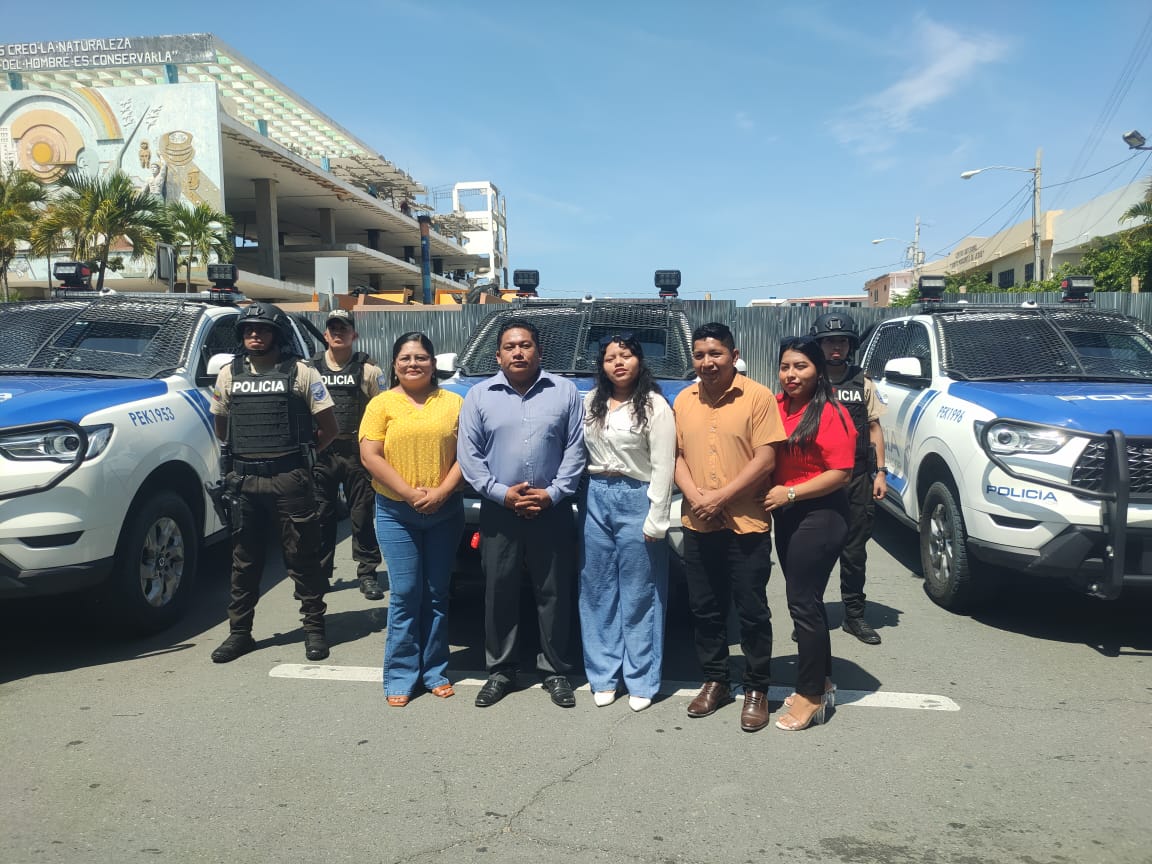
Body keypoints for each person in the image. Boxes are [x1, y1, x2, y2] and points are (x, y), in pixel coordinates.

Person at [457, 319, 586, 708]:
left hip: (552, 508)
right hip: (500, 510)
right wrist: (502, 494)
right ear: (498, 356)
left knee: (554, 591)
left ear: (539, 352)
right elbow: (470, 456)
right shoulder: (478, 396)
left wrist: (553, 493)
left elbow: (576, 449)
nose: (518, 352)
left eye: (525, 345)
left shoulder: (564, 392)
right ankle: (501, 669)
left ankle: (555, 671)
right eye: (510, 347)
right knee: (499, 590)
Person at [209, 302, 338, 664]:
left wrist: (303, 456)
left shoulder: (301, 372)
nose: (254, 334)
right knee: (244, 561)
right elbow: (222, 427)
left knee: (303, 556)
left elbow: (329, 429)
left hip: (289, 478)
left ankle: (314, 629)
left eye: (262, 329)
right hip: (244, 479)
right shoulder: (229, 374)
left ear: (276, 334)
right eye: (248, 329)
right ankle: (240, 633)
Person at [673, 322, 786, 733]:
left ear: (734, 356)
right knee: (705, 607)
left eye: (716, 354)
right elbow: (675, 456)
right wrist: (697, 497)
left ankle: (757, 687)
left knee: (751, 609)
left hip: (746, 523)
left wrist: (720, 498)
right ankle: (716, 680)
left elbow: (766, 459)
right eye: (700, 355)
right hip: (699, 521)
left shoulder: (757, 397)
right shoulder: (683, 400)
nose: (707, 362)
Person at [359, 332, 464, 707]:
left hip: (444, 511)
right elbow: (370, 455)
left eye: (421, 357)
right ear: (394, 364)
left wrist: (441, 492)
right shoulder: (381, 404)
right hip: (396, 512)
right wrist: (408, 493)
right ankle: (401, 674)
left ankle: (434, 671)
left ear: (434, 364)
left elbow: (468, 455)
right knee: (405, 593)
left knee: (436, 594)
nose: (413, 364)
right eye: (405, 358)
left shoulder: (454, 403)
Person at [579, 334, 676, 712]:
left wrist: (657, 517)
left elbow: (664, 465)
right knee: (597, 589)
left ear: (639, 360)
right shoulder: (591, 402)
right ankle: (603, 675)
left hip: (637, 497)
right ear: (601, 365)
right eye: (610, 358)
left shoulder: (654, 406)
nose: (618, 363)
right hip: (596, 496)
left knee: (640, 593)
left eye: (626, 355)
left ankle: (641, 679)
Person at [764, 338, 855, 731]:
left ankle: (811, 696)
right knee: (809, 602)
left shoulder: (831, 412)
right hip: (787, 514)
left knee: (801, 603)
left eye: (800, 366)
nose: (791, 375)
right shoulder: (776, 406)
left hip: (821, 514)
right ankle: (824, 680)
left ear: (817, 370)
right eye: (785, 366)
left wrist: (791, 493)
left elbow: (841, 473)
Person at [810, 312, 887, 645]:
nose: (836, 347)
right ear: (819, 345)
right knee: (814, 552)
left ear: (850, 345)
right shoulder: (809, 379)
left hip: (856, 476)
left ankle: (854, 616)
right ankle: (810, 618)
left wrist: (880, 472)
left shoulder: (861, 382)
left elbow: (874, 428)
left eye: (841, 341)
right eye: (829, 341)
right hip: (817, 477)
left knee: (854, 553)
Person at [308, 309, 387, 601]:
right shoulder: (309, 369)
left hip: (357, 454)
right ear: (325, 335)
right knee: (321, 515)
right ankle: (320, 573)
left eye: (344, 328)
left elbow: (383, 411)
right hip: (322, 454)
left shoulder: (369, 370)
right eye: (333, 328)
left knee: (362, 515)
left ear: (354, 334)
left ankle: (367, 574)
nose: (338, 333)